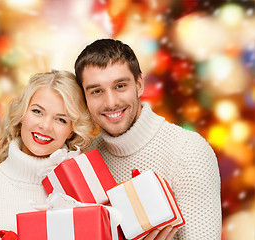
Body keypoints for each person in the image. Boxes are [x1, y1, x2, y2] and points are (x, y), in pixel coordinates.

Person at [74, 39, 221, 240]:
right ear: (84, 97)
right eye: (97, 91)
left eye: (120, 86)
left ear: (140, 85)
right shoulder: (84, 159)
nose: (111, 102)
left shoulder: (189, 152)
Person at [0, 70, 94, 239]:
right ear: (22, 114)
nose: (45, 126)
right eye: (37, 111)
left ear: (71, 131)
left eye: (61, 119)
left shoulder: (82, 193)